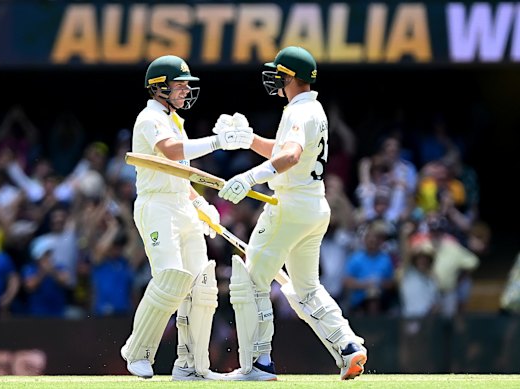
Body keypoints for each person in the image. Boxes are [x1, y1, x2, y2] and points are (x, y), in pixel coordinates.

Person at [217, 46, 367, 381]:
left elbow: (291, 156)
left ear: (292, 78)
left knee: (250, 279)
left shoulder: (300, 112)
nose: (275, 80)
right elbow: (283, 149)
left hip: (289, 206)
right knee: (307, 287)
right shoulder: (311, 109)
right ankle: (347, 346)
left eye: (279, 74)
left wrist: (249, 177)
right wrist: (249, 139)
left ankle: (258, 364)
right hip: (314, 207)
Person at [119, 54, 253, 381]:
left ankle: (191, 364)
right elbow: (173, 152)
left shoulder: (173, 119)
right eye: (179, 86)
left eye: (185, 86)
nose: (184, 91)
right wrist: (219, 142)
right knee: (171, 277)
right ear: (159, 88)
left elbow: (180, 174)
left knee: (201, 283)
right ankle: (137, 351)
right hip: (157, 207)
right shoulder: (149, 118)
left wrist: (200, 204)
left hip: (181, 204)